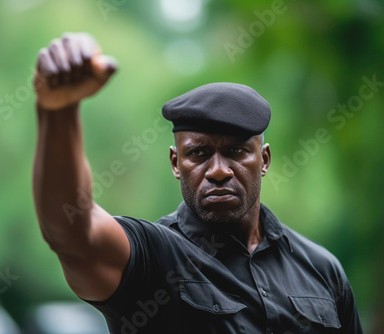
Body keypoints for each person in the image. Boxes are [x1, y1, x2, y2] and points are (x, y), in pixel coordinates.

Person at [32, 32, 364, 334]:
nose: (218, 170)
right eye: (200, 153)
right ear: (177, 163)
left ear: (263, 160)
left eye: (236, 151)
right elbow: (73, 230)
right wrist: (58, 113)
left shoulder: (322, 269)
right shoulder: (154, 259)